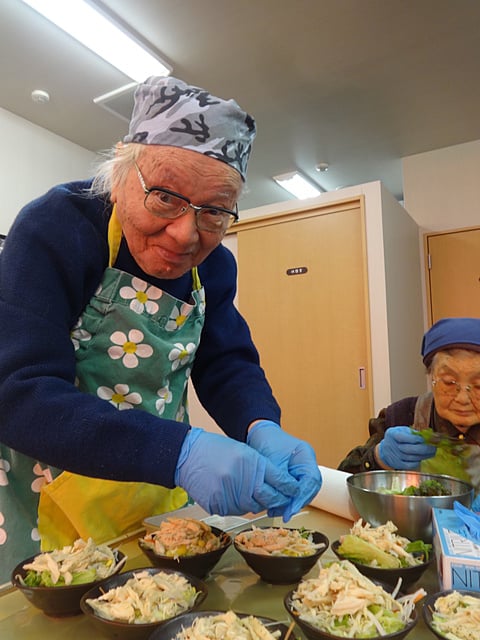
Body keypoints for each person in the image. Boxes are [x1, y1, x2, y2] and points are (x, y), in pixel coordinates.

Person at [0, 76, 321, 582]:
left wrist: (262, 425)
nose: (185, 234)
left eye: (214, 211)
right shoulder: (57, 228)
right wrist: (181, 452)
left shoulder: (213, 267)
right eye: (166, 197)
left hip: (153, 492)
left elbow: (225, 362)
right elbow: (18, 392)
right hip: (50, 496)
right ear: (121, 171)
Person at [339, 317, 480, 506]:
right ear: (431, 377)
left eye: (478, 385)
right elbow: (342, 482)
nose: (462, 398)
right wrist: (378, 458)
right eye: (449, 382)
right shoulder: (402, 415)